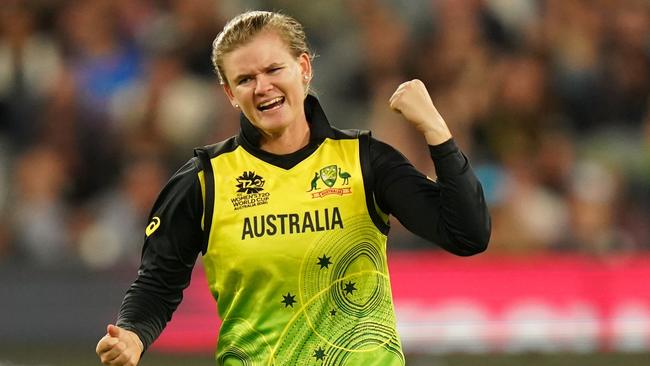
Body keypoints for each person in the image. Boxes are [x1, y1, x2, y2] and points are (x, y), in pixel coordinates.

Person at [96, 10, 490, 366]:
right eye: (245, 79)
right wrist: (132, 333)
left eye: (273, 69)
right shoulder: (204, 180)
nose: (262, 86)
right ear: (231, 94)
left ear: (303, 68)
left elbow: (467, 234)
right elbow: (157, 281)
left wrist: (436, 131)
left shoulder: (365, 160)